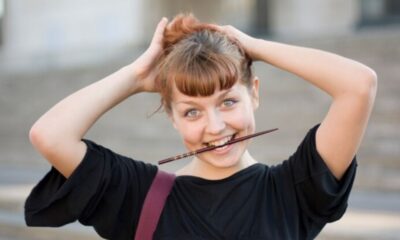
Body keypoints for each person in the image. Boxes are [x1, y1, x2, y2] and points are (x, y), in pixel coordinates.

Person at [25, 13, 377, 240]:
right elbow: (50, 135)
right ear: (172, 116)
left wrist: (254, 47)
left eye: (228, 101)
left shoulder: (294, 190)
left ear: (253, 93)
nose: (216, 126)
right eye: (192, 112)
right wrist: (135, 77)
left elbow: (359, 85)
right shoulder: (141, 196)